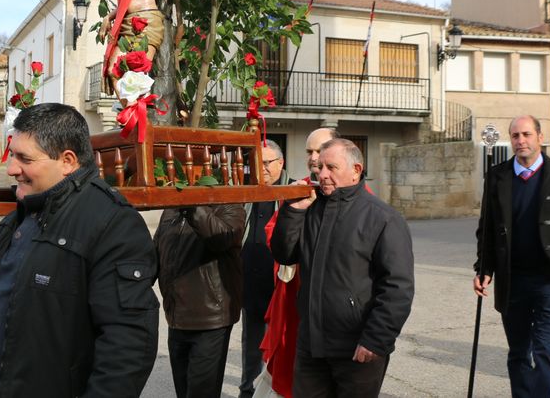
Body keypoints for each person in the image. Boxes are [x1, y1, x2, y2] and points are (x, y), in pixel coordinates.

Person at [0, 102, 159, 397]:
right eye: (12, 155)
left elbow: (128, 345)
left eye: (24, 158)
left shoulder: (113, 223)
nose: (11, 169)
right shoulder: (25, 211)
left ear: (68, 161)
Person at [271, 139, 414, 398]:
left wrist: (376, 340)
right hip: (311, 346)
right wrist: (293, 212)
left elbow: (397, 287)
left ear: (356, 170)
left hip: (357, 348)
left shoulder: (383, 218)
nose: (321, 173)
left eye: (331, 167)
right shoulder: (310, 207)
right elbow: (285, 254)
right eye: (320, 166)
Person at [473, 115, 550, 398]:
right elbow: (488, 229)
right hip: (512, 281)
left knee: (544, 352)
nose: (521, 141)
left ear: (540, 137)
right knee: (518, 352)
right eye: (515, 136)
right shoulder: (498, 176)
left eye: (527, 134)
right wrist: (484, 269)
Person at [154, 204, 245, 398]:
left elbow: (222, 238)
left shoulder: (230, 205)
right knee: (183, 391)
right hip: (176, 318)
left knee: (201, 393)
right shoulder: (171, 210)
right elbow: (156, 255)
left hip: (211, 320)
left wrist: (192, 206)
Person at [239, 140, 288, 398]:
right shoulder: (248, 191)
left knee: (278, 347)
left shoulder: (292, 194)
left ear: (281, 163)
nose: (262, 168)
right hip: (251, 286)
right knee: (251, 345)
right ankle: (247, 390)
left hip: (278, 288)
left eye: (267, 162)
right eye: (257, 162)